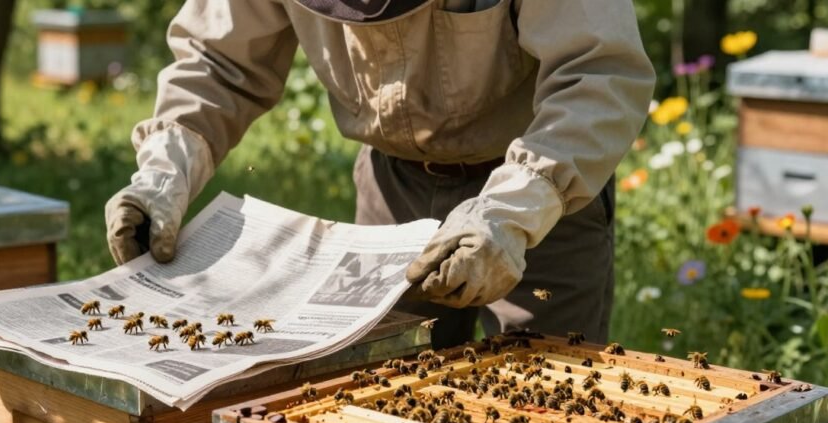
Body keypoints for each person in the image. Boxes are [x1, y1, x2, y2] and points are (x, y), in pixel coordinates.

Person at [106, 0, 656, 347]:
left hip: (540, 187)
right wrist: (164, 172)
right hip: (391, 190)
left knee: (545, 396)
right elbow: (218, 63)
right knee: (385, 387)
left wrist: (511, 214)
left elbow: (597, 72)